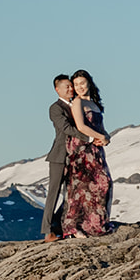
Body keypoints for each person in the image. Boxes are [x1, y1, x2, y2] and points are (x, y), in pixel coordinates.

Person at [62, 68, 114, 238]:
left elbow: (101, 127)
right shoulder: (77, 103)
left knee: (103, 184)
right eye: (76, 84)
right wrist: (99, 137)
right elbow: (81, 126)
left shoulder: (95, 104)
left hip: (96, 149)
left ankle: (95, 223)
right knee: (82, 187)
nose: (79, 87)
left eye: (82, 83)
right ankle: (74, 226)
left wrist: (106, 137)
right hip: (82, 149)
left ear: (89, 83)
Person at [40, 73, 79, 242]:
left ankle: (59, 225)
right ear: (57, 89)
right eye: (67, 87)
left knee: (73, 193)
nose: (71, 89)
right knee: (54, 194)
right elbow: (66, 128)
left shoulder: (77, 105)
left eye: (71, 86)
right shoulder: (55, 108)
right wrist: (90, 137)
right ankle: (47, 231)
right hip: (59, 156)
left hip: (76, 157)